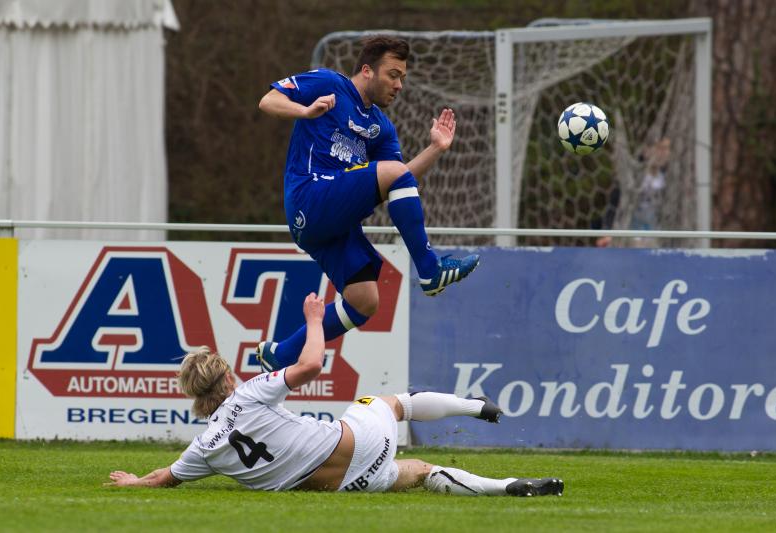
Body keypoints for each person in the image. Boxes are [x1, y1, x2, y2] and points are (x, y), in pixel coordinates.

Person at [106, 294, 564, 498]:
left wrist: (133, 482)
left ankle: (505, 487)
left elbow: (164, 478)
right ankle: (477, 406)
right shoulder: (247, 394)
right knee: (386, 404)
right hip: (358, 444)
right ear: (226, 377)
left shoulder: (204, 448)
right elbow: (309, 366)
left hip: (346, 484)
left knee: (422, 472)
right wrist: (313, 320)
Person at [256, 35, 479, 372]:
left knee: (364, 300)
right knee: (391, 173)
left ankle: (281, 354)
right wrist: (305, 111)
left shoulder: (381, 128)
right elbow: (268, 100)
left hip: (332, 224)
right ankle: (430, 270)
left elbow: (401, 179)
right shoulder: (329, 83)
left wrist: (436, 148)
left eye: (402, 77)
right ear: (366, 70)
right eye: (393, 75)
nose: (399, 85)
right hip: (309, 198)